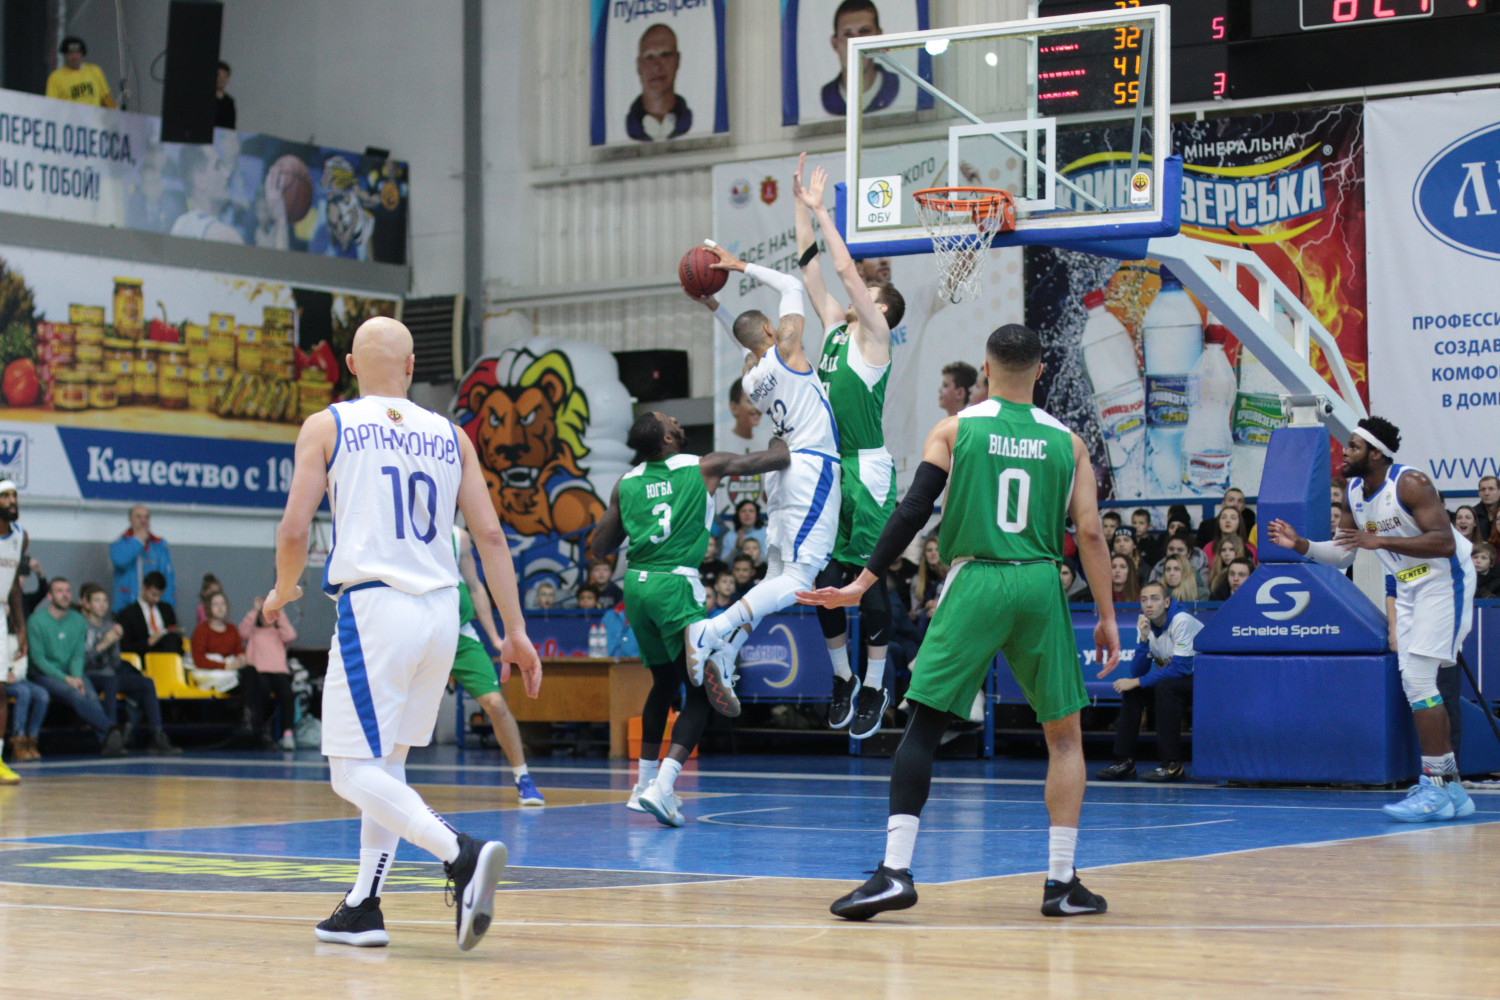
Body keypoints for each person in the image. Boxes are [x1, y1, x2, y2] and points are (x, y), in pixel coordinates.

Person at [799, 322, 1120, 920]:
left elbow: (913, 509)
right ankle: (1061, 882)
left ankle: (894, 873)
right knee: (1065, 737)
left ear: (986, 370)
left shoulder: (954, 429)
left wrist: (862, 583)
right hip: (1039, 580)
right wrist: (1105, 614)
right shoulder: (1069, 442)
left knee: (923, 727)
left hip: (975, 580)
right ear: (1041, 371)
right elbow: (1092, 533)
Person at [261, 316, 541, 951]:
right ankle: (363, 906)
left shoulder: (328, 424)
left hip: (376, 608)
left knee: (347, 771)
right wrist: (515, 630)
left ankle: (459, 853)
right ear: (412, 367)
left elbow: (294, 530)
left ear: (350, 366)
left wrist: (282, 589)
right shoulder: (451, 435)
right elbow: (491, 536)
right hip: (442, 612)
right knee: (386, 765)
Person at [1267, 416, 1476, 822]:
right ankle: (1451, 788)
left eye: (1353, 447)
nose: (1344, 453)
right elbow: (1343, 554)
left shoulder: (1410, 483)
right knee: (1413, 683)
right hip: (1410, 586)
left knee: (1420, 680)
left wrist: (1378, 540)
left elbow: (1445, 542)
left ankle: (1436, 787)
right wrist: (1302, 545)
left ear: (1376, 454)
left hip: (1444, 580)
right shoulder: (1353, 493)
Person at [592, 411, 791, 823]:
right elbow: (775, 459)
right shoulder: (704, 466)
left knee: (664, 683)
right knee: (700, 694)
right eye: (671, 420)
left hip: (636, 587)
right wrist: (782, 431)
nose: (677, 421)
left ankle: (642, 785)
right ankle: (664, 787)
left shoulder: (625, 483)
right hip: (675, 586)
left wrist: (637, 515)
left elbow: (599, 547)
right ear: (667, 438)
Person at [685, 241, 841, 707]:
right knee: (800, 580)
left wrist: (716, 306)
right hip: (812, 467)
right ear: (772, 330)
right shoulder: (787, 353)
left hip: (785, 475)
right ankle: (711, 629)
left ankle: (727, 650)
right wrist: (740, 266)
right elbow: (792, 284)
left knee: (776, 576)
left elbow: (746, 340)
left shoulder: (751, 377)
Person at [795, 156, 907, 739]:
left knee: (869, 578)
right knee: (826, 576)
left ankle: (876, 682)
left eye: (868, 291)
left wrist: (824, 212)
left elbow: (841, 267)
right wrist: (800, 206)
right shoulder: (836, 331)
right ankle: (843, 677)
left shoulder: (877, 335)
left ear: (878, 306)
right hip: (832, 469)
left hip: (868, 470)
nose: (858, 291)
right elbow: (811, 268)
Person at [450, 525, 544, 806]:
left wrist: (494, 637)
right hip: (418, 634)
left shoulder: (458, 537)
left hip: (460, 636)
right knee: (400, 706)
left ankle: (523, 778)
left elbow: (475, 587)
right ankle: (378, 775)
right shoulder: (400, 529)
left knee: (495, 704)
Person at [1095, 581, 1203, 783]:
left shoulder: (1181, 621)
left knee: (1163, 687)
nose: (1149, 604)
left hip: (1204, 684)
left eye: (1154, 599)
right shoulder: (1146, 624)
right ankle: (1124, 761)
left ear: (1167, 602)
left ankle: (1172, 764)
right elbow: (1138, 670)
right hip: (1176, 685)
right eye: (1144, 600)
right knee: (1134, 692)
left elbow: (1181, 668)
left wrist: (1137, 681)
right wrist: (1144, 640)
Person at [27, 579, 125, 757]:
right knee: (74, 693)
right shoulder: (36, 621)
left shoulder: (78, 620)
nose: (65, 595)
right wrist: (67, 679)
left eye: (67, 591)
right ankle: (111, 729)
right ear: (49, 596)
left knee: (91, 695)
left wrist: (77, 676)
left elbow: (78, 655)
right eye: (59, 591)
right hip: (44, 673)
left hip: (71, 672)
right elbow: (38, 660)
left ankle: (109, 743)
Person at [80, 583, 180, 755]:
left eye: (105, 601)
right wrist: (104, 644)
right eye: (97, 600)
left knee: (146, 683)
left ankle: (157, 735)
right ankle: (111, 737)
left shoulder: (110, 626)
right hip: (89, 675)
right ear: (87, 604)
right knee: (112, 681)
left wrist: (114, 643)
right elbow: (80, 662)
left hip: (109, 673)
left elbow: (115, 662)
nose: (102, 605)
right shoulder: (80, 626)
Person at [238, 596, 299, 751]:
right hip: (259, 672)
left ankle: (288, 734)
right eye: (264, 613)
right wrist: (254, 609)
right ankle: (259, 730)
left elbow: (291, 635)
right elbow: (242, 632)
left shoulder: (279, 633)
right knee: (260, 695)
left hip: (279, 672)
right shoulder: (253, 632)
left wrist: (281, 613)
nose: (267, 617)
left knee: (287, 695)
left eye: (271, 613)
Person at [821, 0, 899, 117]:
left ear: (879, 37)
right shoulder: (825, 96)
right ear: (835, 43)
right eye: (848, 34)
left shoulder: (899, 86)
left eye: (864, 31)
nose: (856, 42)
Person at [0, 481, 30, 780]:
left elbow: (14, 589)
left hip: (0, 613)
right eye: (5, 496)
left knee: (0, 689)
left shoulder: (21, 537)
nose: (11, 501)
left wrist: (21, 628)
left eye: (14, 495)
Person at [626, 23, 692, 141]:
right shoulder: (623, 130)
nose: (657, 66)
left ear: (677, 60)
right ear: (639, 65)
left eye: (665, 55)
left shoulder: (699, 123)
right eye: (649, 57)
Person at [171, 140, 245, 243]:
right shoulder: (228, 237)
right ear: (200, 180)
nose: (227, 174)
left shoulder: (179, 225)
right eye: (217, 167)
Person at [110, 504, 176, 613]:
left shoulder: (159, 546)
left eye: (146, 517)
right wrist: (138, 541)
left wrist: (167, 609)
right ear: (130, 519)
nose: (143, 521)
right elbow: (120, 561)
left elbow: (167, 579)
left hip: (153, 609)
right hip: (126, 609)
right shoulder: (119, 544)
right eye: (138, 517)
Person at [117, 571, 185, 658]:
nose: (157, 599)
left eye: (160, 596)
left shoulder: (166, 609)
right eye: (154, 595)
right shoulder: (128, 614)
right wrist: (149, 641)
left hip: (167, 647)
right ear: (144, 588)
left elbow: (172, 629)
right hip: (145, 652)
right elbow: (125, 646)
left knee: (172, 639)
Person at [46, 36, 114, 107]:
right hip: (70, 114)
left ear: (82, 54)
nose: (74, 57)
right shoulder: (55, 77)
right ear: (65, 55)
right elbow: (51, 105)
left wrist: (115, 112)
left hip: (94, 114)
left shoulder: (95, 71)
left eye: (77, 53)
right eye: (70, 53)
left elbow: (106, 98)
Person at [1474, 475, 1500, 543]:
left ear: (1499, 491)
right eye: (1483, 489)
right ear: (1479, 493)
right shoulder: (1473, 514)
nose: (1486, 493)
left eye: (1491, 489)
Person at [215, 60, 236, 129]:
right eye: (219, 75)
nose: (221, 79)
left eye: (225, 76)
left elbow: (231, 126)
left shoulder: (229, 102)